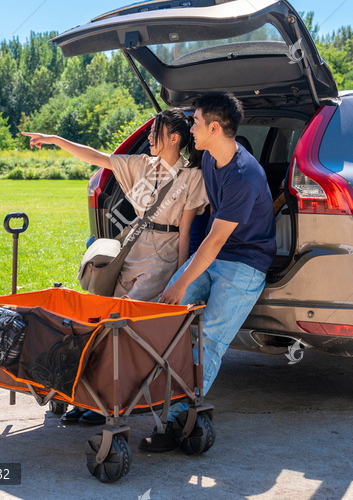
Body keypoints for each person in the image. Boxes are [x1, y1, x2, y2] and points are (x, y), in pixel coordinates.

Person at [22, 109, 208, 424]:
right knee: (109, 318)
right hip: (134, 249)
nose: (149, 139)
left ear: (175, 138)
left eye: (155, 133)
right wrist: (54, 140)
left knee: (123, 325)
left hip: (162, 257)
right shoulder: (141, 165)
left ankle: (107, 400)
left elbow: (186, 232)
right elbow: (96, 157)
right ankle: (90, 398)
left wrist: (179, 280)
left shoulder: (192, 177)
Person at [139, 91, 276, 453]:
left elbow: (214, 242)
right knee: (166, 316)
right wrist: (180, 282)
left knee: (210, 339)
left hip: (245, 264)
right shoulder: (210, 162)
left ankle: (177, 420)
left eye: (196, 122)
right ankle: (153, 395)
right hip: (216, 255)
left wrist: (182, 280)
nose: (191, 128)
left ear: (214, 127)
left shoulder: (244, 175)